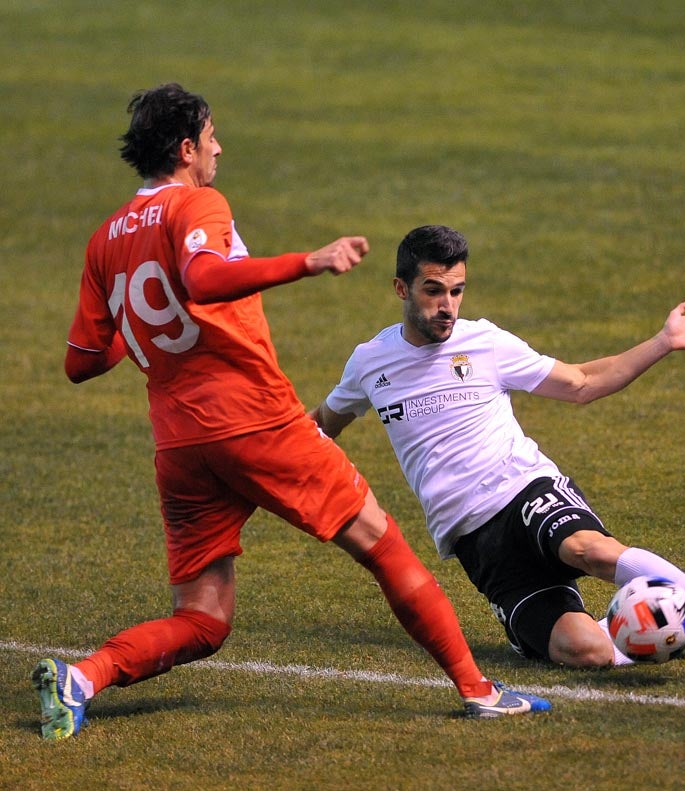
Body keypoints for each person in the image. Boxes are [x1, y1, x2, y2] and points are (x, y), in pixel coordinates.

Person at [35, 84, 549, 741]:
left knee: (204, 619)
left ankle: (81, 678)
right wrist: (310, 261)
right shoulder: (198, 202)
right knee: (381, 541)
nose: (220, 146)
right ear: (186, 148)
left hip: (180, 447)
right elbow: (200, 279)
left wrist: (138, 327)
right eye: (212, 135)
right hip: (256, 421)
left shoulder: (105, 238)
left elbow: (80, 360)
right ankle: (479, 691)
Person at [309, 224, 685, 668]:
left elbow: (582, 382)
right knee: (584, 650)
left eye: (457, 290)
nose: (447, 305)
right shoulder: (370, 363)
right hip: (473, 539)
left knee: (589, 550)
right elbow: (323, 424)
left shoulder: (485, 342)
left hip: (524, 487)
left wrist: (664, 341)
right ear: (400, 289)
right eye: (433, 290)